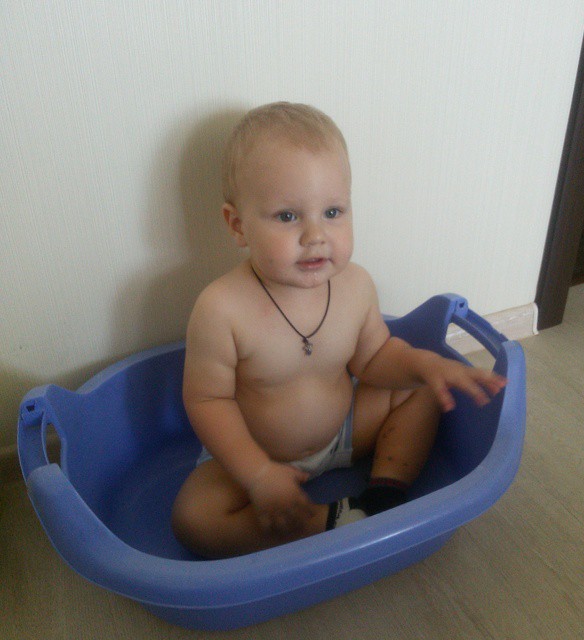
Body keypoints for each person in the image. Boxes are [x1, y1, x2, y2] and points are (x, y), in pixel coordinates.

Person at [171, 102, 507, 558]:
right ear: (238, 225)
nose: (316, 235)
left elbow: (375, 358)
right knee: (194, 519)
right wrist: (256, 473)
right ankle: (326, 520)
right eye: (287, 216)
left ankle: (384, 493)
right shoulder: (221, 308)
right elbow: (208, 401)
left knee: (421, 391)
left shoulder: (356, 285)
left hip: (344, 432)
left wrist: (426, 364)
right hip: (254, 454)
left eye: (332, 211)